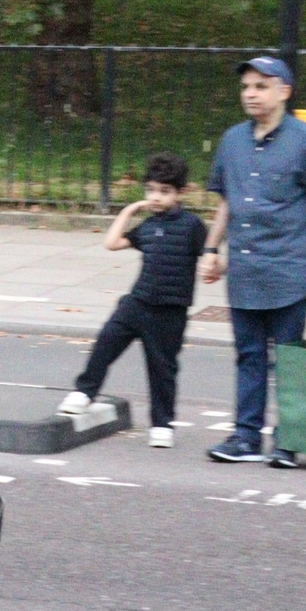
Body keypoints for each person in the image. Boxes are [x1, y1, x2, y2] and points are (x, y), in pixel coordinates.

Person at [201, 56, 306, 468]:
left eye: (261, 86)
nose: (251, 93)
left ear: (284, 91)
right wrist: (211, 250)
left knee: (290, 359)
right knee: (248, 355)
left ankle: (288, 440)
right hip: (245, 270)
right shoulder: (232, 140)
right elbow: (226, 201)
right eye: (246, 86)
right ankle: (245, 438)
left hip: (291, 268)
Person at [57, 152, 206, 447]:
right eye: (150, 190)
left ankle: (162, 425)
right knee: (105, 344)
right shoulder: (147, 227)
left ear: (180, 193)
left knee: (162, 369)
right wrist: (130, 210)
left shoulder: (192, 226)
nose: (156, 197)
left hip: (170, 311)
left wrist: (212, 265)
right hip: (137, 304)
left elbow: (210, 256)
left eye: (164, 191)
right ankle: (84, 392)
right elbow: (111, 243)